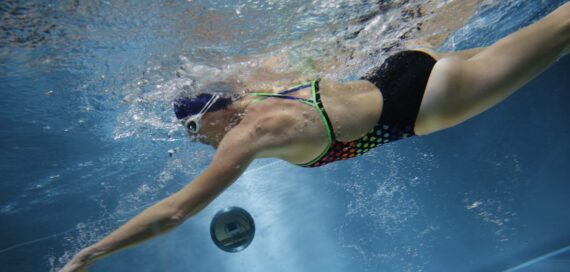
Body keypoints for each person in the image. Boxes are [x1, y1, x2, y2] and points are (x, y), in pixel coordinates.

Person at [61, 3, 569, 271]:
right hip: (400, 67)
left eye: (192, 128)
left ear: (211, 114)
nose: (195, 141)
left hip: (424, 103)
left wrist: (89, 255)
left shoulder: (252, 132)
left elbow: (174, 210)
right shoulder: (266, 90)